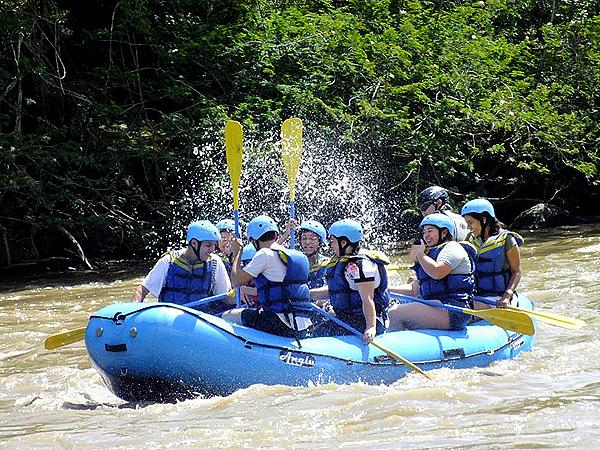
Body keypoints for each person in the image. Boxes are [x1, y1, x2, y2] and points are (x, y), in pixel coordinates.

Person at [221, 215, 315, 339]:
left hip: (278, 323)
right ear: (275, 236)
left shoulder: (264, 254)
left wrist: (237, 252)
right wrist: (285, 235)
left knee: (227, 316)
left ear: (254, 241)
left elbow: (236, 281)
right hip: (302, 326)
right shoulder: (295, 256)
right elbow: (273, 251)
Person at [388, 213, 475, 331]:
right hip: (438, 306)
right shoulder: (429, 255)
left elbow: (437, 273)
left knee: (395, 313)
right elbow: (415, 290)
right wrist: (386, 289)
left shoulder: (453, 248)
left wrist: (420, 254)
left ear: (444, 232)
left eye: (430, 231)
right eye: (424, 232)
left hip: (454, 310)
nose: (426, 235)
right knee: (397, 306)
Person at [310, 219, 390, 342]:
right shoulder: (345, 261)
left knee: (319, 337)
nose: (331, 245)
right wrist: (307, 294)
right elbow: (336, 290)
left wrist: (371, 327)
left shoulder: (362, 266)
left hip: (365, 320)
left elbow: (367, 299)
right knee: (316, 333)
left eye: (333, 241)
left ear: (344, 242)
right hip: (348, 319)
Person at [131, 221, 233, 313]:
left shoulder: (215, 263)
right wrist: (133, 311)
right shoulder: (168, 262)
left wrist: (241, 293)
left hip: (201, 322)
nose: (212, 249)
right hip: (170, 321)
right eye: (208, 245)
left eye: (214, 245)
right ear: (194, 243)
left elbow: (225, 297)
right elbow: (142, 290)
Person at [461, 198, 524, 308]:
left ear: (484, 219)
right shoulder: (469, 239)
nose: (468, 227)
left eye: (470, 222)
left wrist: (507, 295)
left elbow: (517, 271)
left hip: (499, 297)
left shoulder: (507, 239)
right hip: (478, 295)